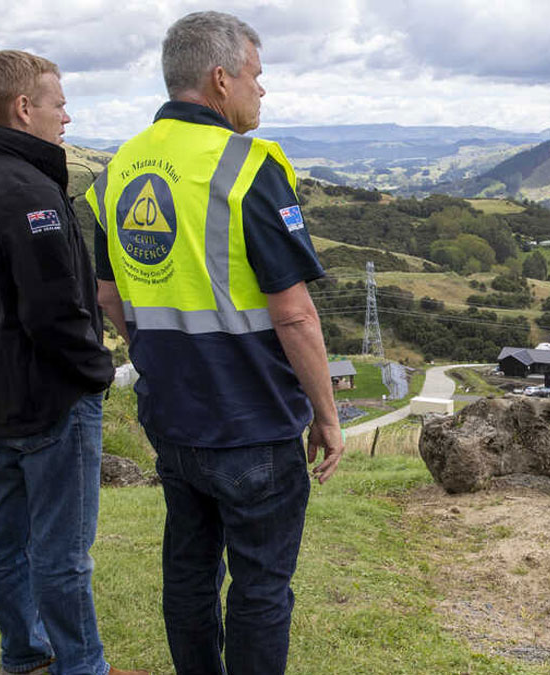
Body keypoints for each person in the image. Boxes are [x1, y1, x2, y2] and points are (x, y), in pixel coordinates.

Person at [84, 11, 344, 675]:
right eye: (257, 76)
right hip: (253, 420)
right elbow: (295, 315)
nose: (264, 90)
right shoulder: (248, 165)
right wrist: (327, 413)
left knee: (190, 574)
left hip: (173, 420)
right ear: (221, 79)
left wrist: (154, 354)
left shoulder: (119, 170)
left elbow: (109, 295)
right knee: (259, 585)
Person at [0, 50, 145, 675]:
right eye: (58, 103)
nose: (67, 116)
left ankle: (25, 655)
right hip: (52, 398)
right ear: (25, 108)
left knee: (6, 538)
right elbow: (54, 309)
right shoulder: (27, 189)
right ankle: (81, 667)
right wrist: (96, 373)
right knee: (63, 551)